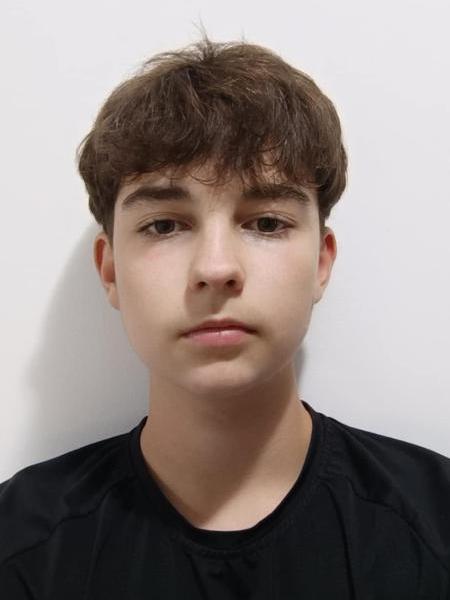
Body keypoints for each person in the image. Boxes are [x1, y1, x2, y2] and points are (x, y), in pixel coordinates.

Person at [1, 33, 449, 599]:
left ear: (321, 263)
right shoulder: (19, 545)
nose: (216, 268)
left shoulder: (435, 525)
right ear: (110, 270)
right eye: (165, 225)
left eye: (266, 223)